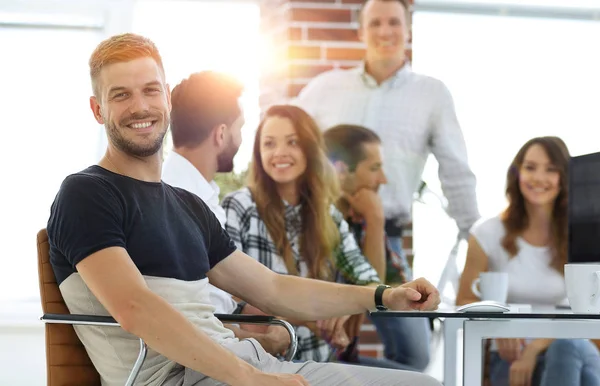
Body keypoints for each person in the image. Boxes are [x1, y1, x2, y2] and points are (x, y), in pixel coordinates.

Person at [46, 32, 442, 386]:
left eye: (150, 90)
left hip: (241, 367)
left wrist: (382, 296)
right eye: (121, 95)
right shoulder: (86, 193)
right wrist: (251, 379)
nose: (140, 106)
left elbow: (273, 288)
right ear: (98, 110)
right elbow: (135, 308)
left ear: (167, 97)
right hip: (184, 377)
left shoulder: (188, 206)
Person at [293, 0, 480, 268]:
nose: (384, 31)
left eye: (394, 22)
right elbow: (292, 150)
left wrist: (474, 235)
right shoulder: (323, 89)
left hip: (386, 240)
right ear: (360, 31)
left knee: (394, 309)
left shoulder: (432, 94)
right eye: (375, 23)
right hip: (319, 238)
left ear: (408, 30)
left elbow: (455, 170)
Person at [221, 105, 405, 368]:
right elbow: (231, 295)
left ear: (309, 149)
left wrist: (343, 309)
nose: (279, 152)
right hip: (264, 366)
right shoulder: (237, 207)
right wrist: (316, 317)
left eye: (292, 142)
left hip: (321, 364)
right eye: (269, 144)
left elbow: (367, 279)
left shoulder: (328, 214)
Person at [162, 71, 290, 357]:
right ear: (221, 134)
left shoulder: (198, 192)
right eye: (240, 128)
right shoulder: (177, 200)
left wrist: (251, 313)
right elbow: (189, 321)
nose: (242, 139)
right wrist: (263, 343)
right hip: (211, 361)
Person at [456, 136, 600, 386]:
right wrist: (500, 325)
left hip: (569, 347)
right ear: (517, 173)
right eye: (530, 167)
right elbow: (464, 301)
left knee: (567, 348)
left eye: (551, 169)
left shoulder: (582, 233)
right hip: (510, 357)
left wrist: (536, 347)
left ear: (564, 178)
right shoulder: (487, 232)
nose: (539, 178)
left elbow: (592, 310)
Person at [323, 124, 430, 371]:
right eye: (374, 168)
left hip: (342, 358)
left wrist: (374, 220)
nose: (383, 179)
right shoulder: (319, 219)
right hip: (319, 360)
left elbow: (376, 288)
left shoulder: (359, 218)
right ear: (340, 171)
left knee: (420, 367)